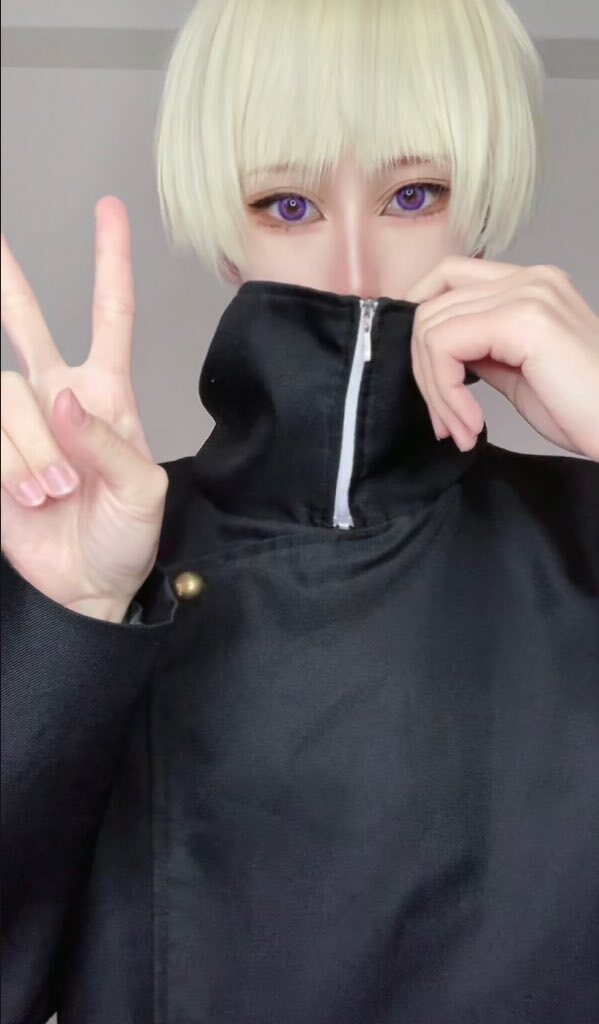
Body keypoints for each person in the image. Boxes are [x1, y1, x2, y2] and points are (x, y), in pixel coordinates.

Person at [1, 0, 598, 1021]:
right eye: (288, 205)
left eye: (413, 195)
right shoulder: (94, 574)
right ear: (226, 238)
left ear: (481, 211)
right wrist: (66, 630)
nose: (354, 273)